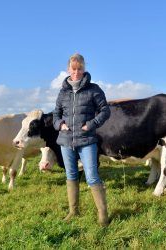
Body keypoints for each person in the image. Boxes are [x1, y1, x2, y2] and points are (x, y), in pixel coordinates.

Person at [53, 53, 111, 226]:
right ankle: (73, 211)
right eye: (73, 69)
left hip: (87, 140)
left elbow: (105, 111)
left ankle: (102, 215)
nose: (76, 72)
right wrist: (59, 125)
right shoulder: (63, 92)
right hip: (66, 141)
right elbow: (56, 114)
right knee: (71, 175)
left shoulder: (94, 89)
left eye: (80, 69)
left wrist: (91, 124)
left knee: (92, 176)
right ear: (68, 69)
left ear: (84, 69)